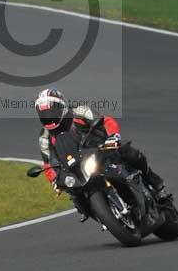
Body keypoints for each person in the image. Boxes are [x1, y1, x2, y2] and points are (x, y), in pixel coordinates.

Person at [35, 87, 169, 222]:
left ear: (62, 105)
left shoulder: (79, 111)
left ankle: (154, 182)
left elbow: (106, 121)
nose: (49, 117)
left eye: (52, 111)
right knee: (73, 192)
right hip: (77, 165)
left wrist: (113, 136)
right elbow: (48, 162)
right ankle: (96, 213)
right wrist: (54, 180)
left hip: (102, 149)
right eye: (44, 114)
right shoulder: (44, 138)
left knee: (129, 152)